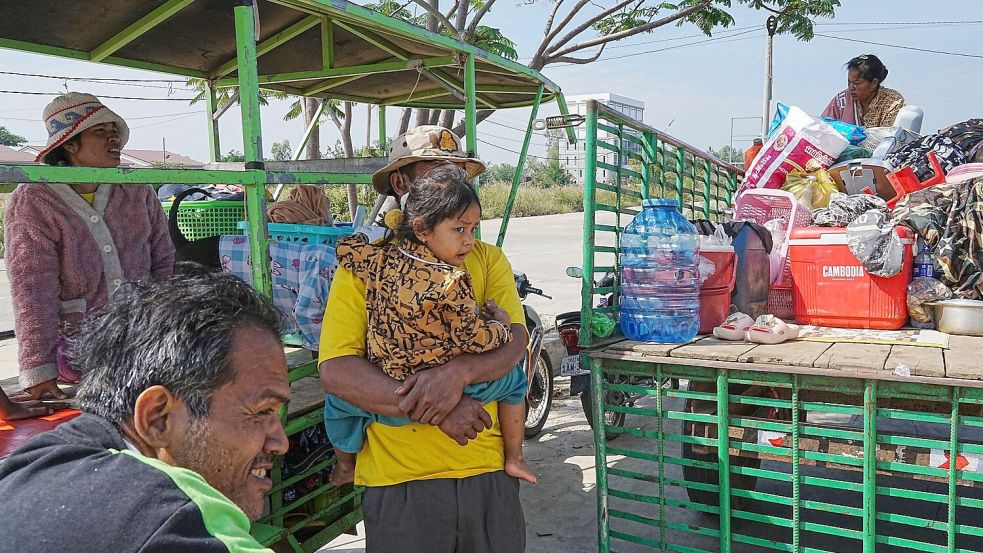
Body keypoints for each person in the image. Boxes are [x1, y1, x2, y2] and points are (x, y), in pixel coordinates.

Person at [319, 125, 529, 552]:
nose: (451, 185)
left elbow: (516, 340)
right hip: (400, 480)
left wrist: (459, 373)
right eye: (437, 173)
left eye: (459, 176)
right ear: (402, 186)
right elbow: (338, 370)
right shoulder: (368, 266)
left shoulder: (485, 259)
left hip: (485, 471)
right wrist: (438, 408)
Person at [0, 270, 290, 552]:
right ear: (158, 418)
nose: (281, 443)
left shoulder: (27, 468)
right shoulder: (177, 518)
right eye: (262, 411)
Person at [4, 92, 175, 402]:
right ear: (69, 144)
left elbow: (164, 261)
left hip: (145, 335)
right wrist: (37, 369)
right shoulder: (34, 200)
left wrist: (166, 327)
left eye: (115, 130)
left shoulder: (136, 190)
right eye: (100, 131)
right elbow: (32, 289)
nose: (114, 138)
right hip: (78, 346)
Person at [822, 54, 905, 128]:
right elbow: (823, 128)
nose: (851, 88)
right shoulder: (841, 101)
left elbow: (892, 140)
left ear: (874, 83)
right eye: (849, 82)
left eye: (857, 83)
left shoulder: (893, 102)